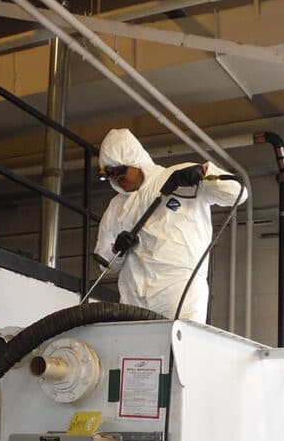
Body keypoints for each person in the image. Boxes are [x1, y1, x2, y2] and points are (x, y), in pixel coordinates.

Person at [93, 128, 247, 323]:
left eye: (120, 172)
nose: (117, 180)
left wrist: (206, 173)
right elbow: (105, 265)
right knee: (135, 352)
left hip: (178, 289)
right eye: (111, 176)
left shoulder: (178, 176)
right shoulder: (116, 208)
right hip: (134, 296)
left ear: (134, 161)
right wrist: (117, 249)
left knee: (180, 350)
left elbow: (238, 194)